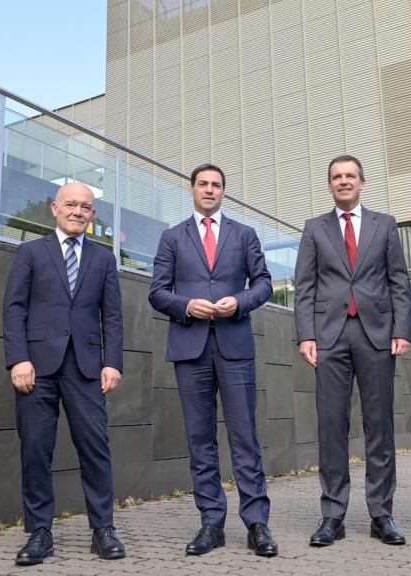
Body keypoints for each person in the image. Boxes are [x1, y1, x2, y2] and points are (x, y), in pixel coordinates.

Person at [148, 164, 279, 557]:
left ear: (224, 191)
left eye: (216, 185)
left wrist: (238, 301)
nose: (209, 190)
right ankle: (211, 523)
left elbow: (264, 284)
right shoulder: (172, 237)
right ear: (191, 190)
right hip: (190, 349)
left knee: (245, 439)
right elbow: (157, 291)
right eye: (203, 184)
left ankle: (257, 523)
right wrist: (187, 305)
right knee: (200, 440)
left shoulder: (245, 234)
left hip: (234, 347)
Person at [3, 182, 126, 565]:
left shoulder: (104, 260)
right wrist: (17, 359)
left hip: (87, 368)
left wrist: (113, 362)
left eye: (85, 207)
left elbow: (113, 316)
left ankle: (103, 529)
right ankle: (40, 533)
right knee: (36, 450)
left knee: (96, 448)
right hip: (36, 368)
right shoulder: (29, 253)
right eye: (71, 204)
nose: (78, 211)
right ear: (54, 208)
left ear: (92, 215)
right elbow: (14, 309)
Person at [294, 155, 411, 546]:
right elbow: (305, 287)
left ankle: (382, 514)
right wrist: (305, 335)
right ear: (329, 185)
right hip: (328, 337)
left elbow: (399, 281)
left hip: (376, 334)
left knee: (380, 426)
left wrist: (401, 329)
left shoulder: (385, 225)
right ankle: (333, 516)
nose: (343, 181)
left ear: (363, 183)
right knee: (331, 426)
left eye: (350, 176)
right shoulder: (314, 228)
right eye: (336, 177)